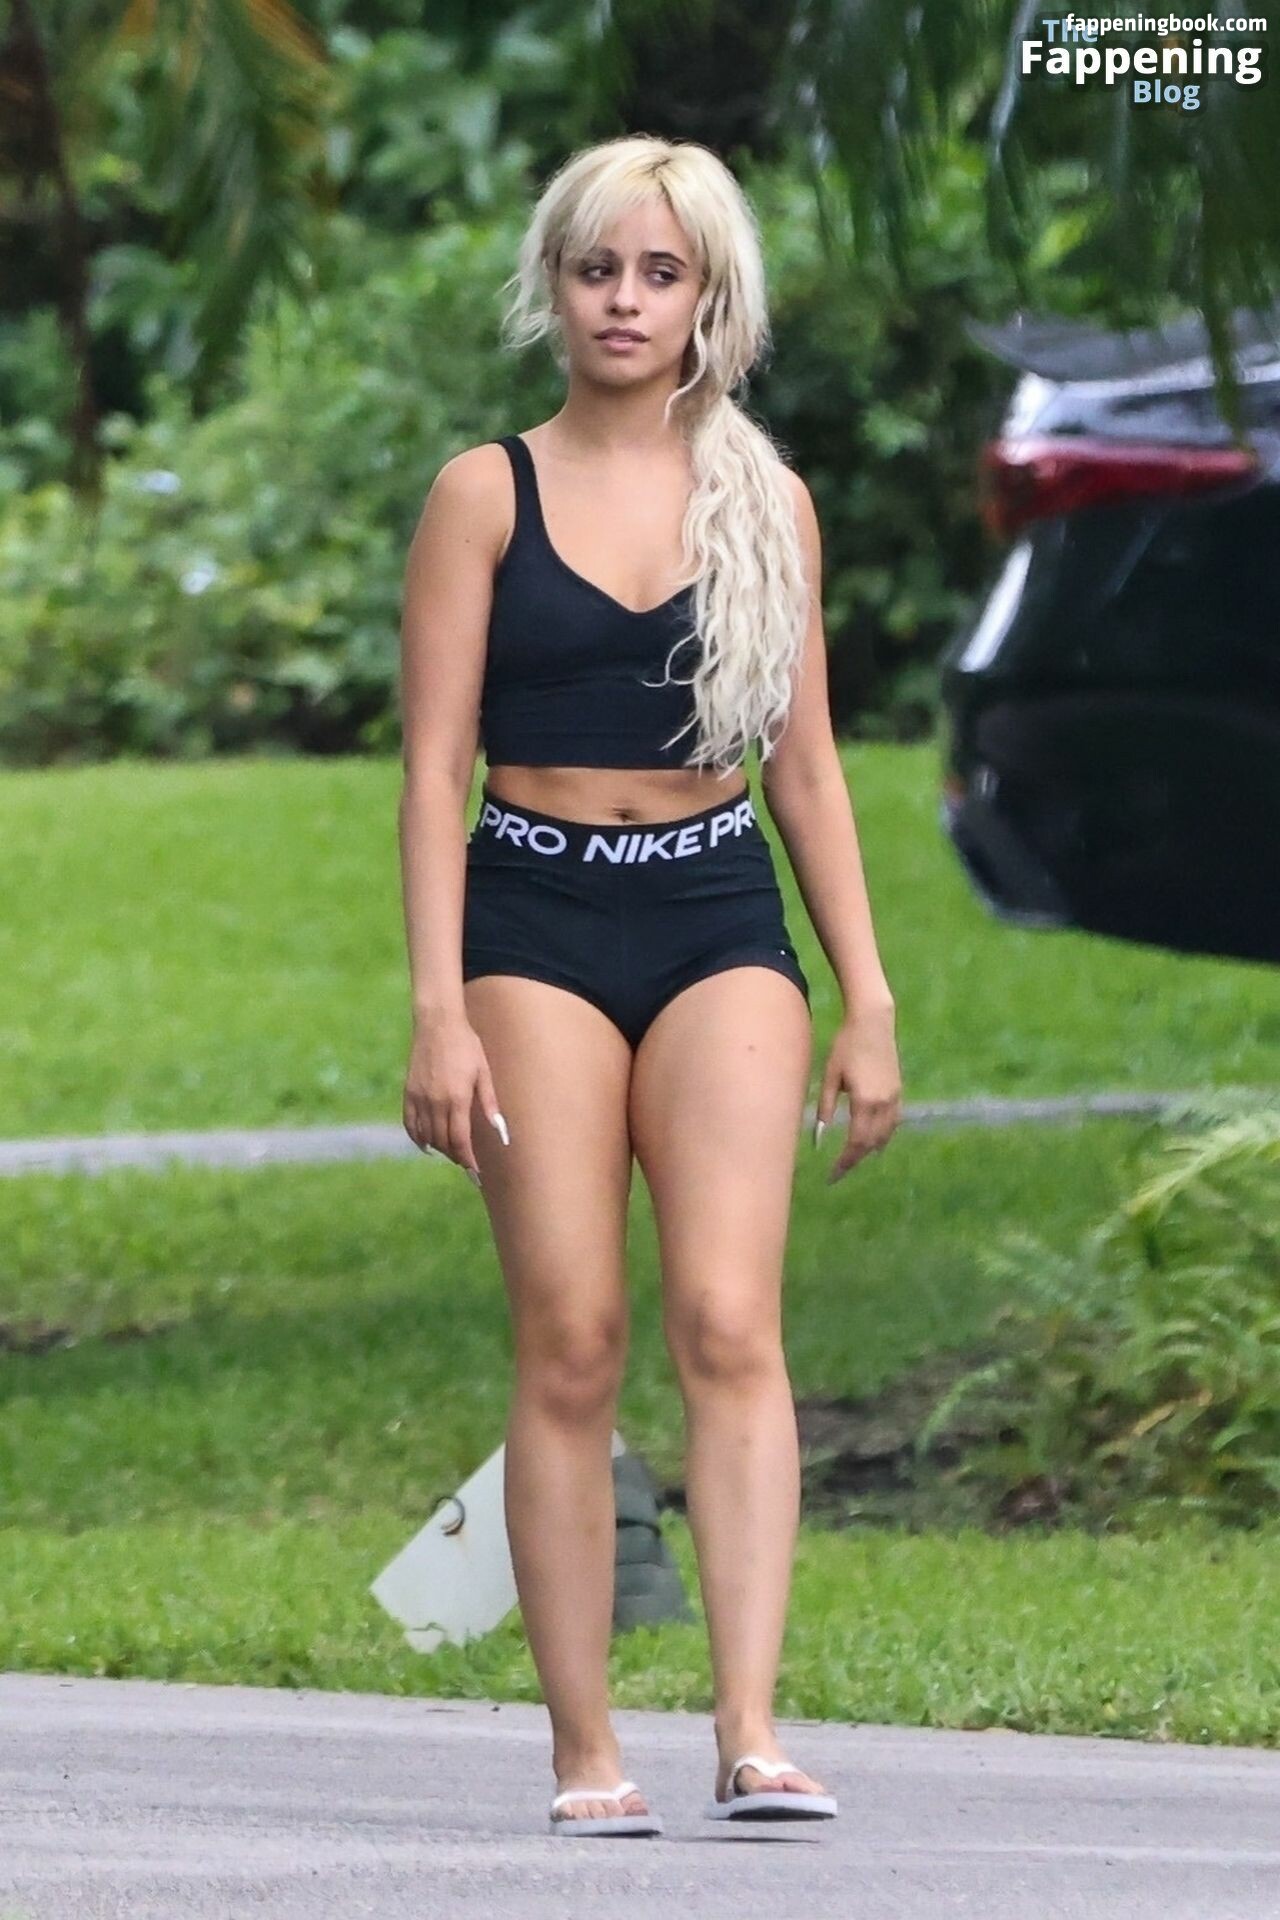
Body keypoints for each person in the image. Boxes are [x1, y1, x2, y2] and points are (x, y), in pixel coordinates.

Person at [398, 134, 902, 1838]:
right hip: (534, 913)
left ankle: (751, 1732)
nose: (625, 300)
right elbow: (432, 770)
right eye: (598, 268)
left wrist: (869, 996)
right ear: (555, 285)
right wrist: (438, 1007)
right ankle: (585, 1751)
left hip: (714, 910)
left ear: (709, 299)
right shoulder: (485, 492)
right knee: (573, 1336)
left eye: (660, 273)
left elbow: (807, 769)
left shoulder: (766, 501)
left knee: (730, 1323)